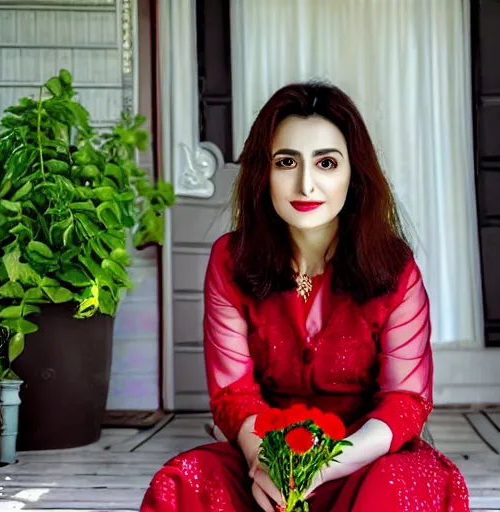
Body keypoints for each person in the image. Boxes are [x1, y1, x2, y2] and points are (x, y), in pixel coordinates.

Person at [141, 82, 469, 511]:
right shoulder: (230, 260)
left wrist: (325, 466)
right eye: (286, 162)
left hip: (365, 462)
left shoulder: (394, 266)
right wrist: (267, 466)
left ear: (354, 174)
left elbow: (404, 402)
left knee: (401, 487)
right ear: (263, 172)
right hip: (268, 461)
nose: (305, 184)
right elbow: (234, 396)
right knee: (183, 482)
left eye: (327, 163)